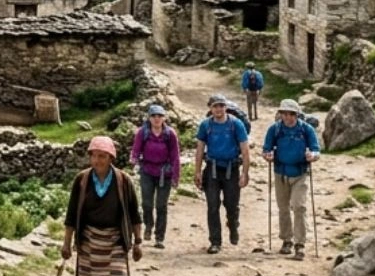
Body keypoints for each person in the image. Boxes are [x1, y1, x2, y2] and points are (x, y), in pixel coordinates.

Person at [61, 136, 143, 276]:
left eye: (102, 156)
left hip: (115, 243)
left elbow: (135, 214)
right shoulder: (82, 180)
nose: (97, 161)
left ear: (111, 158)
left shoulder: (123, 181)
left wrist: (138, 242)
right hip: (89, 243)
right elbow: (71, 215)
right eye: (94, 156)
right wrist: (67, 243)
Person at [262, 99, 322, 259]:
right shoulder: (274, 130)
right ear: (280, 114)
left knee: (299, 206)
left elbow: (316, 150)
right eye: (284, 113)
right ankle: (286, 240)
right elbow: (266, 148)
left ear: (297, 114)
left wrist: (313, 156)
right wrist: (267, 155)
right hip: (280, 172)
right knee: (283, 208)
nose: (288, 117)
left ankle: (300, 244)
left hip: (300, 173)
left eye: (291, 114)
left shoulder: (306, 130)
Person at [193, 93, 251, 255]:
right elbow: (199, 150)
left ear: (226, 107)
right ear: (210, 108)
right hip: (211, 169)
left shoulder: (236, 125)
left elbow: (245, 151)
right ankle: (215, 241)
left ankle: (233, 225)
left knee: (231, 205)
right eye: (215, 106)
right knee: (212, 206)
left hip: (231, 170)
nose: (218, 109)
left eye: (221, 106)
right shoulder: (206, 125)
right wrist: (197, 171)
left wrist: (245, 173)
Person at [130, 104, 181, 249]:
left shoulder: (170, 134)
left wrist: (176, 176)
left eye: (159, 116)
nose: (157, 119)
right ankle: (148, 225)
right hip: (147, 170)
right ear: (149, 118)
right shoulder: (143, 132)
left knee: (161, 205)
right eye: (154, 116)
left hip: (165, 173)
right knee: (147, 203)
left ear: (164, 118)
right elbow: (136, 149)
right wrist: (133, 160)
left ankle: (159, 237)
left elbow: (175, 156)